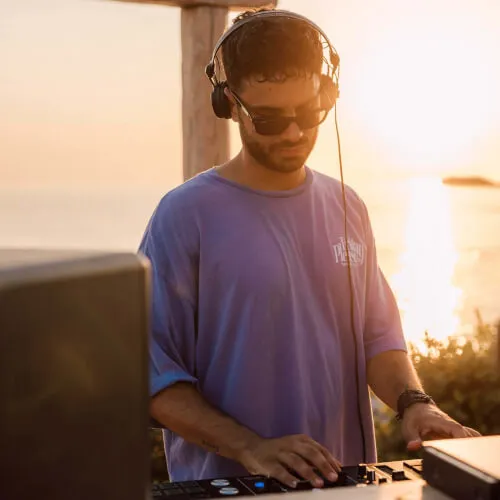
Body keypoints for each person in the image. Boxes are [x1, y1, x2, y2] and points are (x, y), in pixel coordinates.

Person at [138, 7, 479, 487]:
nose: (295, 132)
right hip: (233, 490)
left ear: (327, 95)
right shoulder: (183, 216)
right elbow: (151, 374)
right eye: (270, 118)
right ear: (229, 103)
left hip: (347, 486)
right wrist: (250, 448)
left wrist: (415, 405)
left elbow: (378, 339)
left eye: (308, 112)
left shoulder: (348, 206)